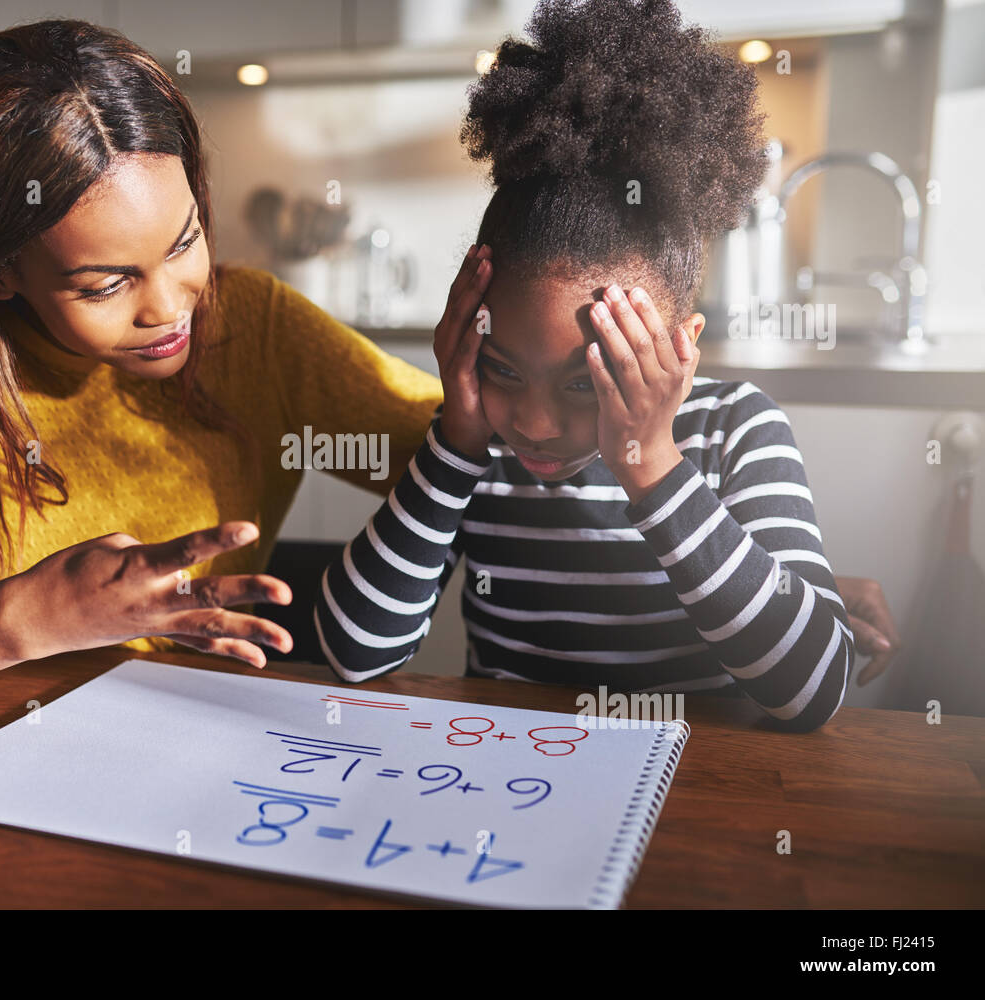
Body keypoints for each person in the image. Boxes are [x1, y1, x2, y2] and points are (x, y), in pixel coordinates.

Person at [0, 20, 442, 718]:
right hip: (6, 743)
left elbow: (476, 455)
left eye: (185, 241)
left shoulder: (254, 324)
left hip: (216, 731)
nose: (169, 309)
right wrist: (28, 620)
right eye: (106, 284)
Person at [313, 0, 859, 731]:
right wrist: (457, 444)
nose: (534, 424)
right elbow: (352, 655)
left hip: (697, 799)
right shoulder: (475, 446)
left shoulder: (735, 432)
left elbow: (813, 692)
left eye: (585, 383)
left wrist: (653, 465)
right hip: (505, 786)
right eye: (505, 370)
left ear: (681, 349)